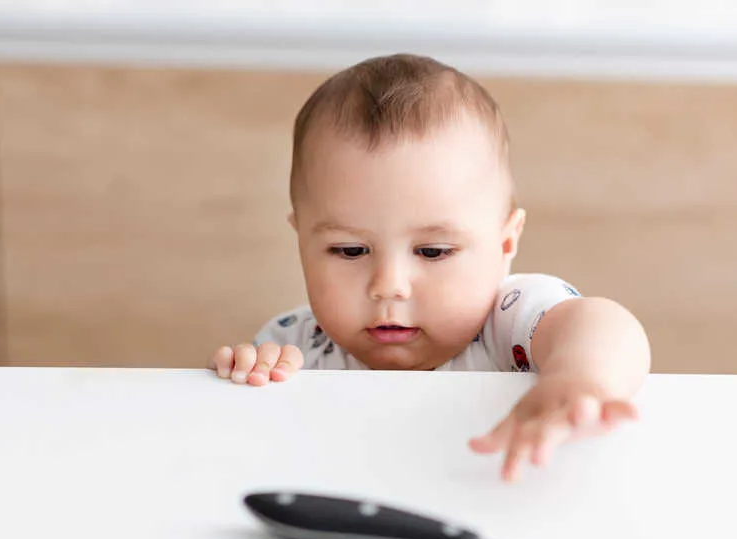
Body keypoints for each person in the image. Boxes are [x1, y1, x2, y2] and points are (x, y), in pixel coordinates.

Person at [210, 53, 651, 481]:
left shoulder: (509, 322)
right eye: (349, 251)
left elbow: (605, 325)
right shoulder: (295, 346)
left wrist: (579, 378)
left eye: (433, 251)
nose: (389, 287)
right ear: (301, 239)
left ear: (505, 243)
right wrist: (249, 378)